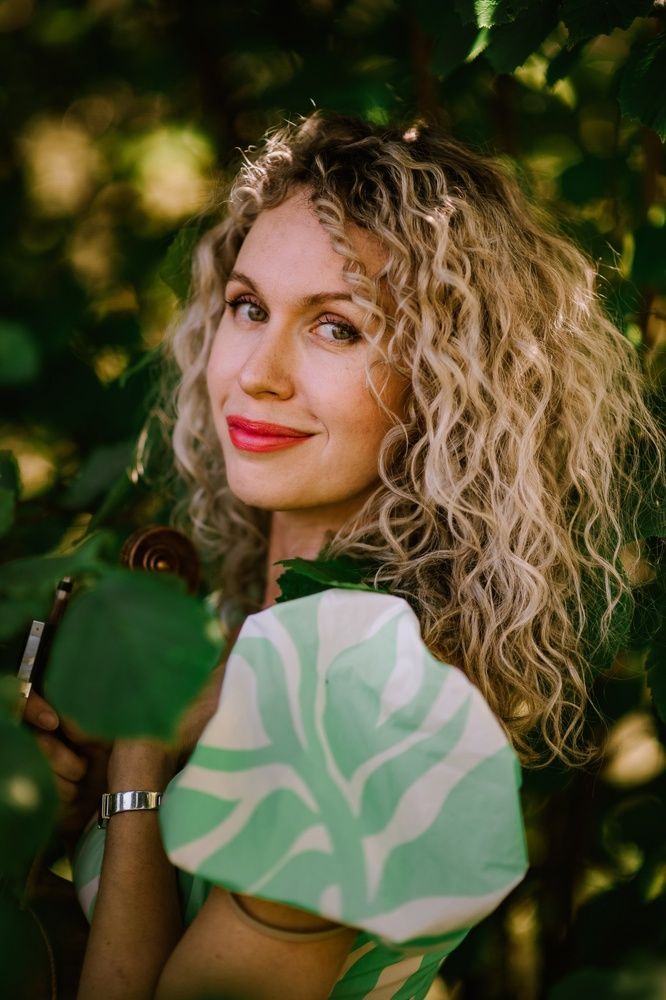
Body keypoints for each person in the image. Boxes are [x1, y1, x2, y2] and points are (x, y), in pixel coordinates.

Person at [24, 111, 663, 999]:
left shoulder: (363, 694)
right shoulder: (246, 624)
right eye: (248, 308)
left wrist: (136, 766)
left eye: (338, 328)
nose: (258, 372)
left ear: (448, 385)